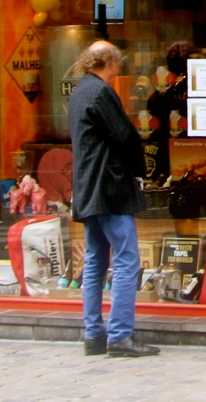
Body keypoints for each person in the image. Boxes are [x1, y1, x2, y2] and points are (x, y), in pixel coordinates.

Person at [68, 40, 159, 358]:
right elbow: (125, 136)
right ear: (109, 62)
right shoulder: (101, 91)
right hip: (109, 186)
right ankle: (120, 336)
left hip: (87, 186)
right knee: (126, 259)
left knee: (95, 259)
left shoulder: (80, 91)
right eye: (117, 62)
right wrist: (143, 170)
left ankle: (94, 334)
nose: (118, 68)